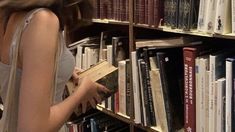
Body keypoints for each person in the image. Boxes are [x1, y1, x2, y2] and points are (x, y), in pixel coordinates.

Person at [0, 0, 110, 132]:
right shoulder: (43, 21)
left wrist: (58, 70)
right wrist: (82, 91)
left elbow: (17, 67)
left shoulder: (10, 16)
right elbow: (34, 128)